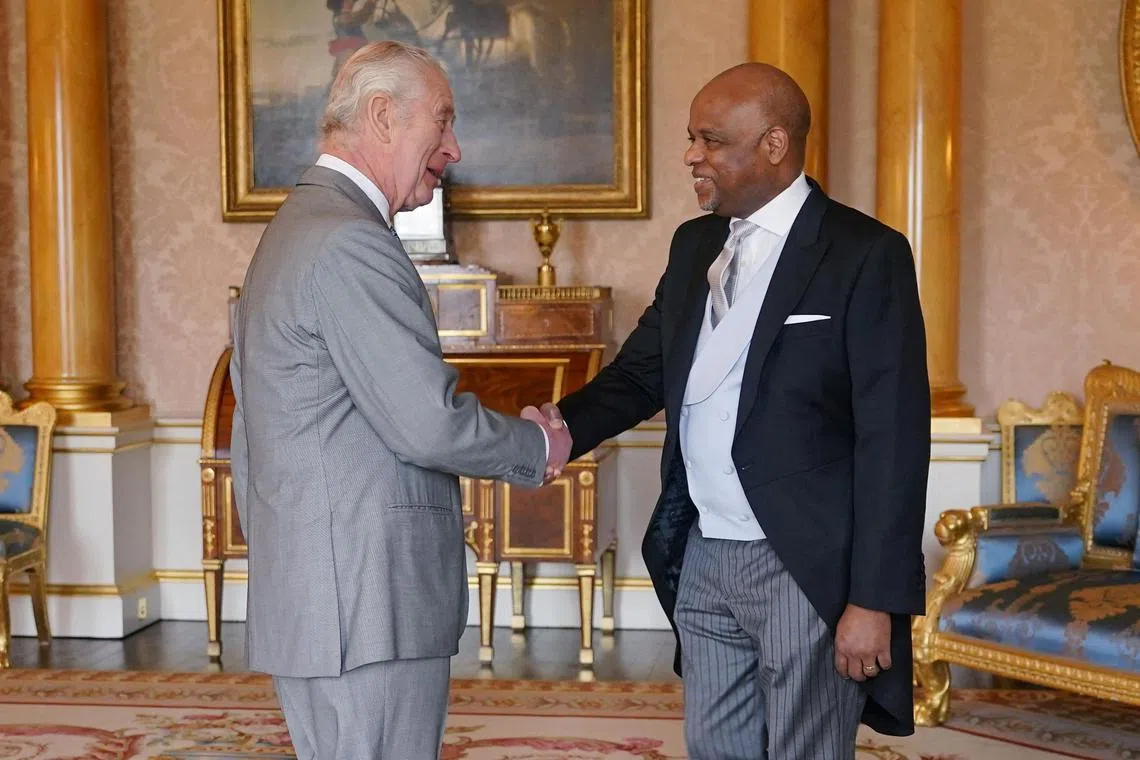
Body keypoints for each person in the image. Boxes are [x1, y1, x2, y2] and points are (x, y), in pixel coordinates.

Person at [544, 62, 930, 758]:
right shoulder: (694, 244)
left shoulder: (865, 254)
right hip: (702, 554)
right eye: (693, 138)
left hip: (804, 566)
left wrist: (874, 600)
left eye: (712, 139)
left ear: (774, 145)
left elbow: (893, 440)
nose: (692, 155)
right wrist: (554, 432)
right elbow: (640, 375)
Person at [228, 40, 572, 759]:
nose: (454, 145)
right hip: (366, 600)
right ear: (383, 117)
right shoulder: (348, 241)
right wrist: (537, 446)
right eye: (441, 121)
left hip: (323, 591)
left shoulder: (294, 230)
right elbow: (426, 424)